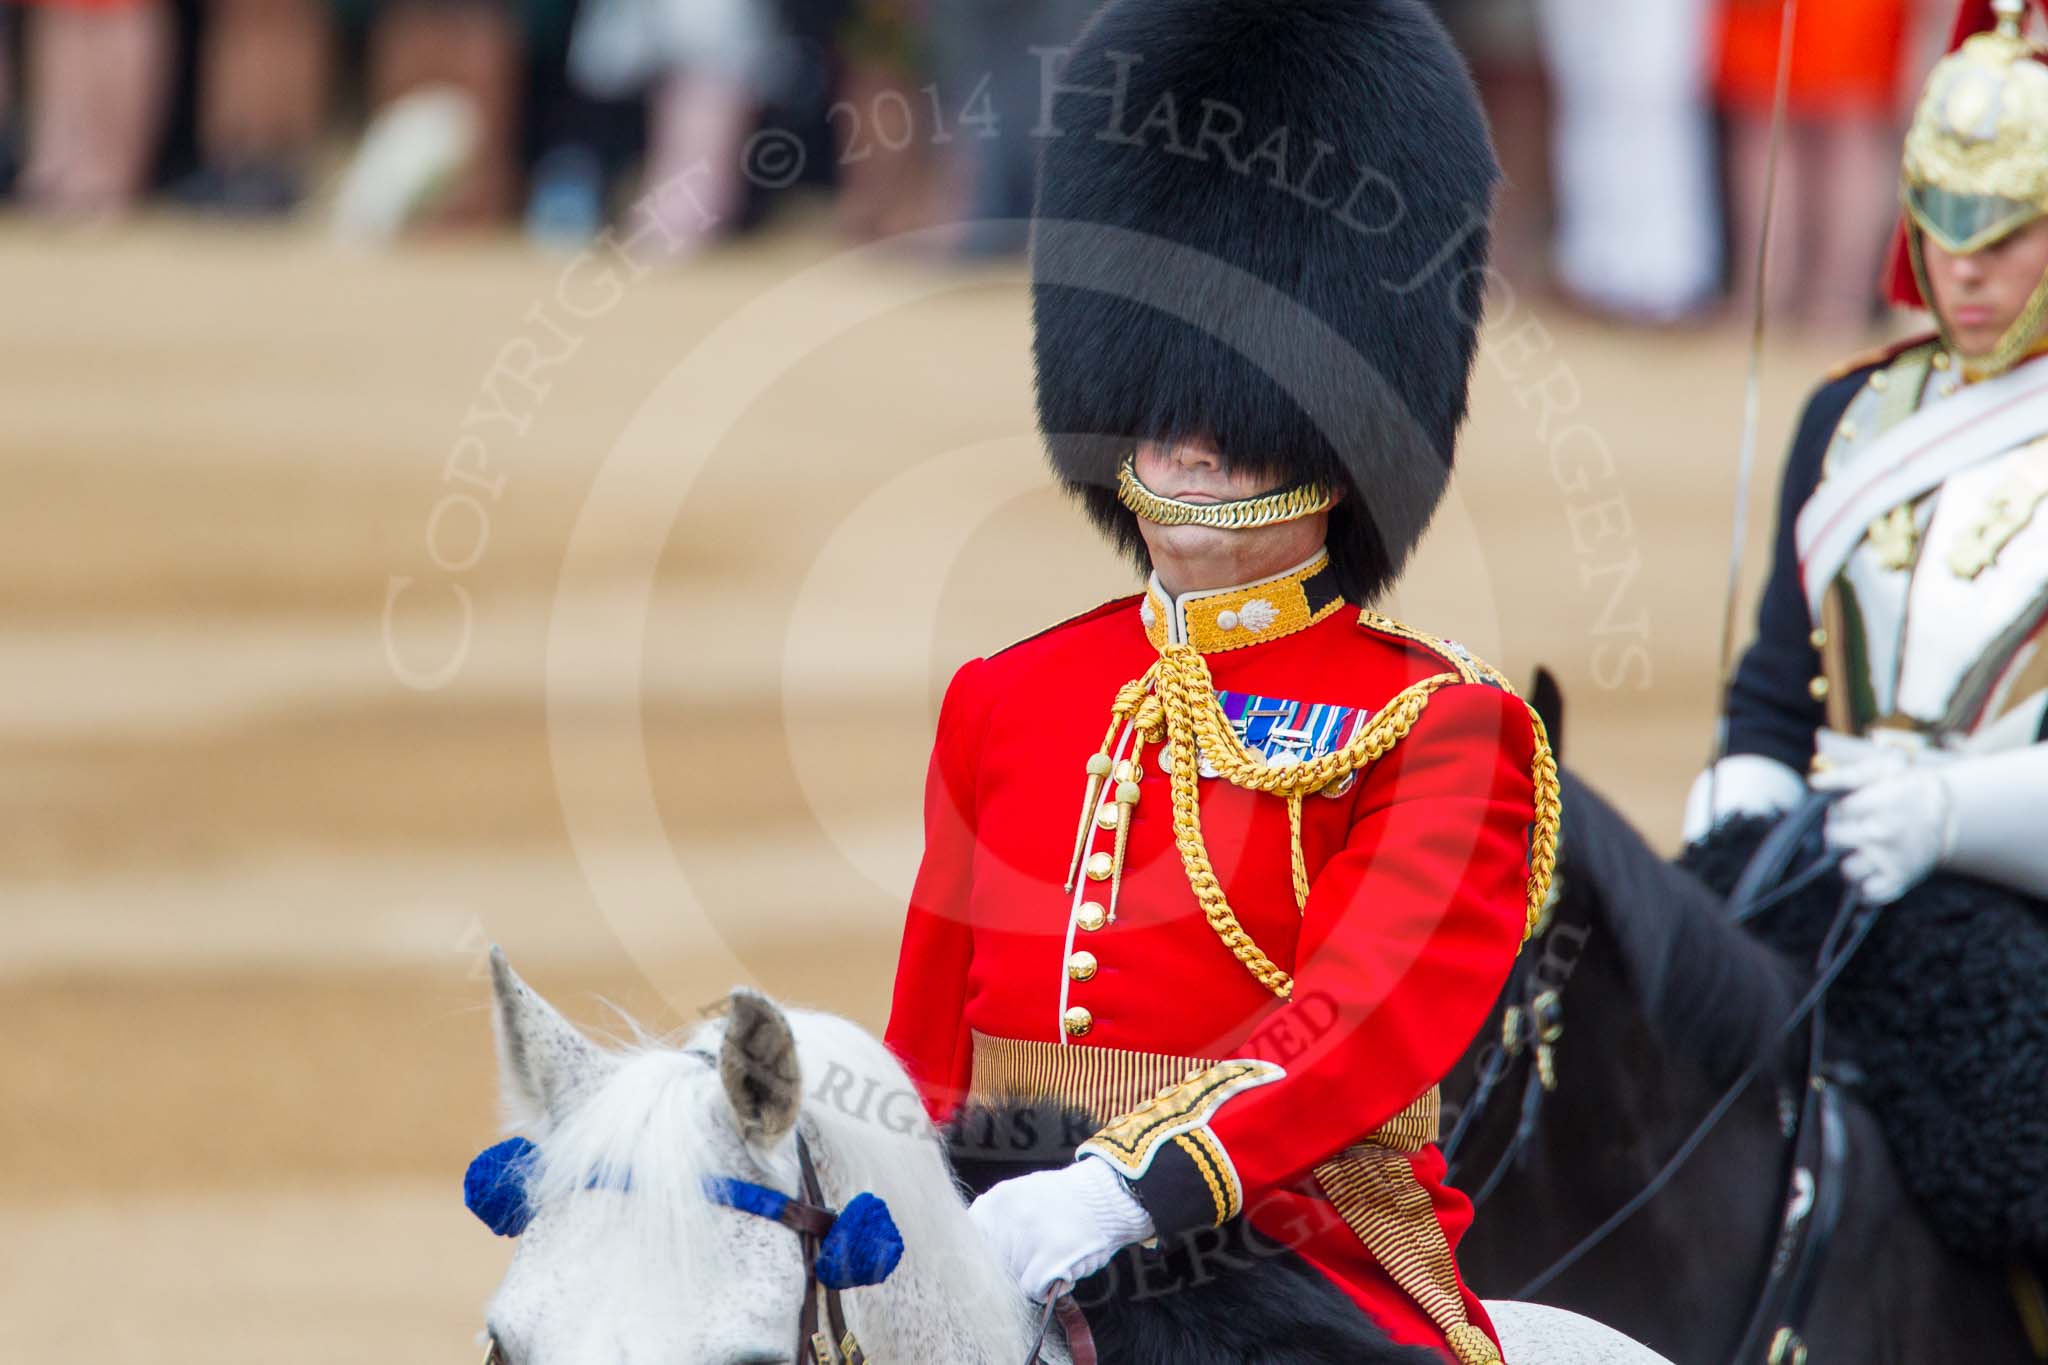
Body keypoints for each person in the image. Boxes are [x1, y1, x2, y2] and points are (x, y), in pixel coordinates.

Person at [882, 3, 1559, 1361]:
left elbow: (1351, 1035)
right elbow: (923, 1062)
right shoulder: (1006, 697)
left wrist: (1128, 1188)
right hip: (998, 1249)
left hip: (1297, 1266)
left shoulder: (1439, 730)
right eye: (1158, 392)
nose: (1188, 438)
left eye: (1243, 407)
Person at [1686, 0, 2048, 1271]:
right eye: (1940, 218)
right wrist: (1733, 823)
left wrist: (1950, 821)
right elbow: (1774, 696)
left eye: (2003, 233)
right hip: (1823, 871)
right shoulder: (1844, 421)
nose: (1961, 265)